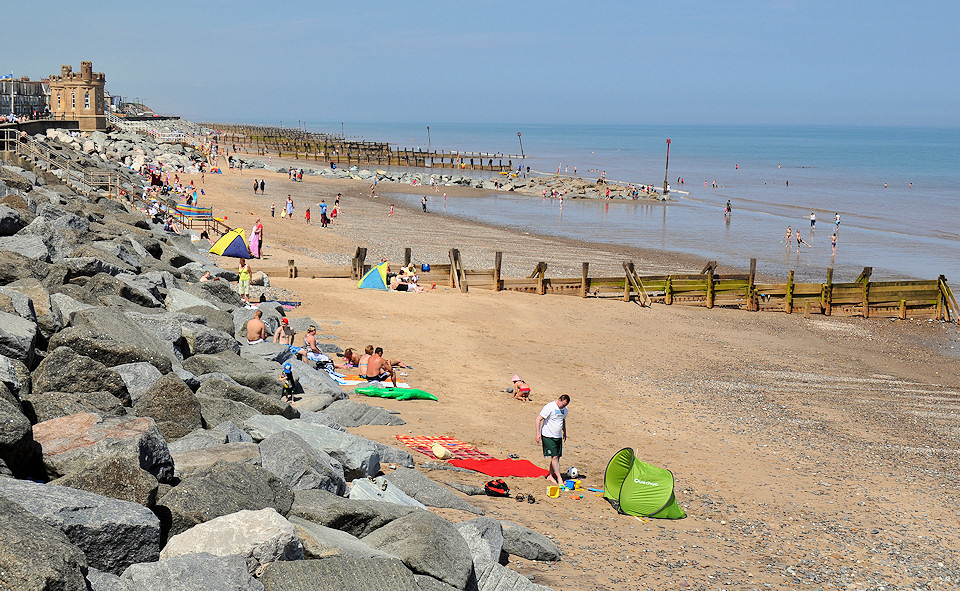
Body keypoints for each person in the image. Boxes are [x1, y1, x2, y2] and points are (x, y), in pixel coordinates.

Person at [536, 395, 570, 487]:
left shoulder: (565, 410)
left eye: (565, 406)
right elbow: (538, 419)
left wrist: (564, 432)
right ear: (559, 400)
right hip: (548, 435)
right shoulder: (549, 407)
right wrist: (538, 434)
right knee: (554, 457)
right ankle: (559, 478)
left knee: (557, 457)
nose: (563, 407)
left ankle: (550, 475)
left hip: (557, 436)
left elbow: (563, 420)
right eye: (562, 404)